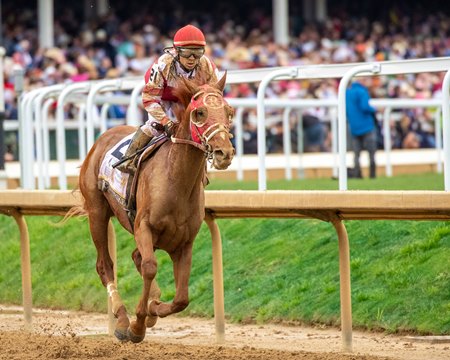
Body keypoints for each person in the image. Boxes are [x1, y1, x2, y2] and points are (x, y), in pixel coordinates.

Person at [116, 24, 220, 173]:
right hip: (161, 96)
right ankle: (128, 158)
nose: (192, 58)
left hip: (188, 98)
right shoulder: (162, 64)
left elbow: (212, 97)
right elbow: (150, 98)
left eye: (197, 53)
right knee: (154, 124)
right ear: (176, 51)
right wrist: (166, 122)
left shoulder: (207, 65)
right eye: (186, 53)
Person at [346, 77, 378, 178]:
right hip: (367, 126)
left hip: (354, 127)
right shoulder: (362, 91)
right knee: (371, 153)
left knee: (356, 154)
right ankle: (372, 175)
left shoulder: (346, 92)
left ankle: (357, 175)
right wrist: (374, 109)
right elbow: (365, 107)